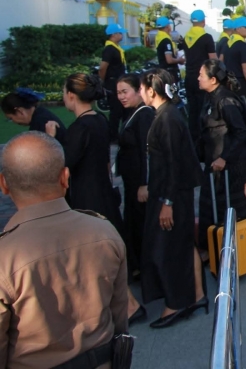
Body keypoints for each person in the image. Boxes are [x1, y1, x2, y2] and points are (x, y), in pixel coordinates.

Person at [0, 132, 128, 369]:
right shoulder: (104, 231)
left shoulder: (5, 255)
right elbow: (120, 315)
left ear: (4, 184)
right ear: (65, 177)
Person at [139, 69, 207, 328]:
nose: (139, 93)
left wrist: (167, 203)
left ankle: (177, 303)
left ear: (151, 91)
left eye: (141, 89)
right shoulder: (167, 114)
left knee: (167, 249)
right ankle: (197, 295)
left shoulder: (166, 118)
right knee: (183, 243)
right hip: (173, 191)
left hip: (172, 194)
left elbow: (173, 163)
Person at [196, 59, 246, 254]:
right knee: (212, 209)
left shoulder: (226, 100)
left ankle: (238, 254)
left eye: (201, 75)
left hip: (232, 168)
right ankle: (214, 250)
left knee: (234, 211)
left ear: (213, 80)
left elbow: (240, 131)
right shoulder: (211, 97)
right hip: (215, 166)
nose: (198, 78)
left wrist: (224, 157)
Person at [45, 73, 124, 234]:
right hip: (104, 190)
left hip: (87, 195)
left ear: (71, 95)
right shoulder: (100, 118)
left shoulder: (80, 127)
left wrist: (50, 138)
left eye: (64, 92)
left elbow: (62, 163)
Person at [115, 74, 155, 280]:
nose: (121, 97)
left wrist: (144, 183)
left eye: (125, 92)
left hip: (140, 183)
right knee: (133, 223)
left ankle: (147, 268)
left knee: (142, 225)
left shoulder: (144, 114)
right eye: (118, 93)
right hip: (130, 182)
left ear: (138, 90)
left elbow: (146, 151)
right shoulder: (130, 113)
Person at [183, 10, 218, 141]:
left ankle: (192, 139)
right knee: (204, 109)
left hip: (189, 77)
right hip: (203, 78)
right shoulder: (207, 37)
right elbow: (213, 60)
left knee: (192, 110)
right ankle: (203, 139)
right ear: (203, 21)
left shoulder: (186, 37)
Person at [1, 87, 66, 144]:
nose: (14, 122)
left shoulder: (39, 122)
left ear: (19, 111)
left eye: (11, 118)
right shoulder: (40, 114)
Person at [99, 23, 127, 142]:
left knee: (122, 109)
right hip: (112, 82)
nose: (122, 35)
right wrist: (102, 81)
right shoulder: (109, 49)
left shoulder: (116, 48)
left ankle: (122, 133)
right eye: (120, 33)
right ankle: (113, 136)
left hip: (119, 82)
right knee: (116, 110)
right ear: (114, 34)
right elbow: (103, 67)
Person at [154, 16, 184, 83]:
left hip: (163, 71)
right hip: (169, 72)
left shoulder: (159, 37)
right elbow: (169, 60)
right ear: (167, 27)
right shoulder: (166, 40)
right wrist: (179, 60)